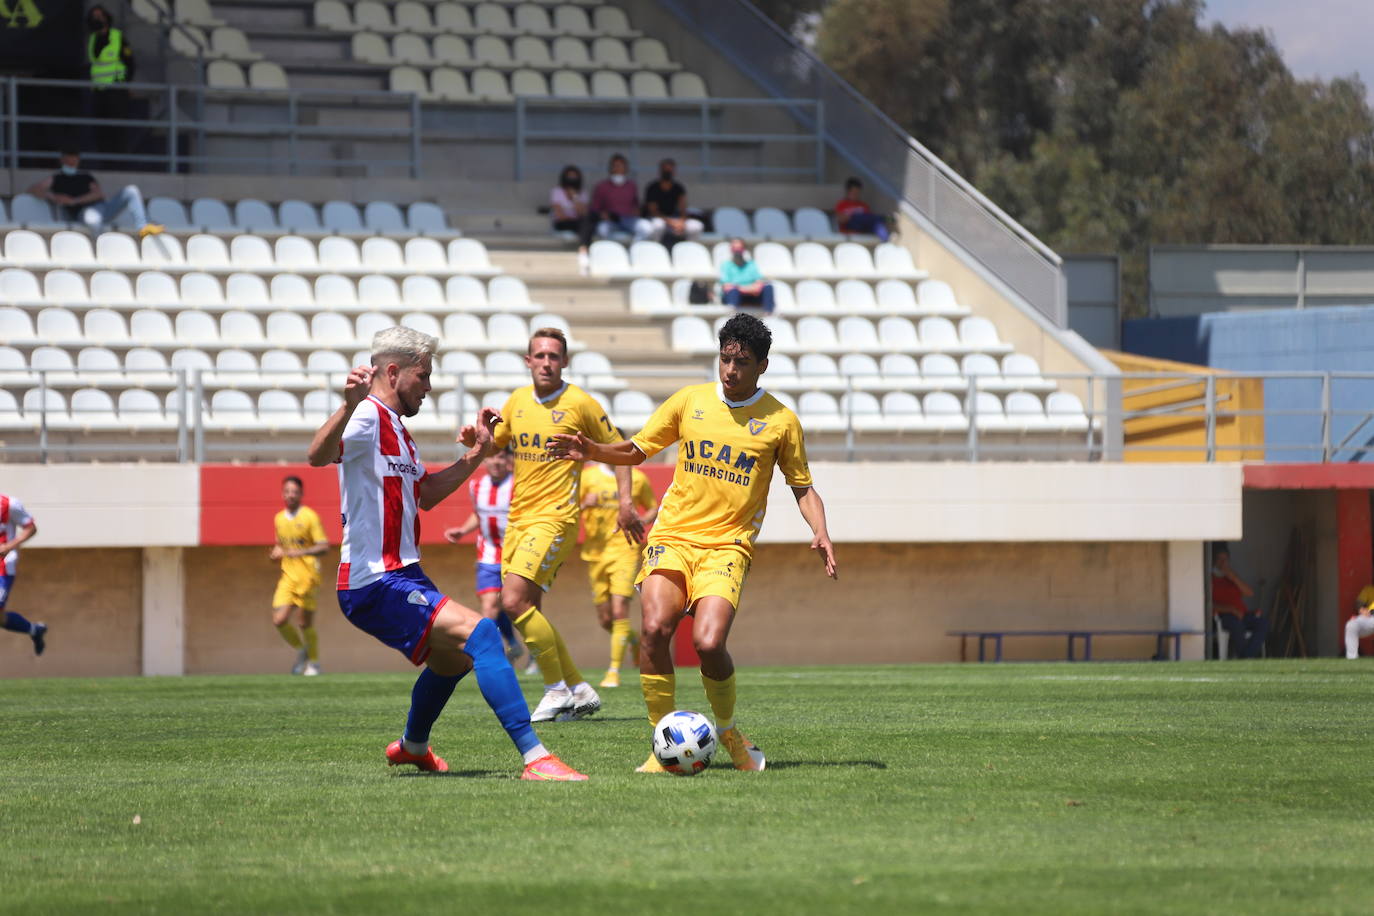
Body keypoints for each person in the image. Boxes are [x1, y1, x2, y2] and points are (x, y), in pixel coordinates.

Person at [548, 313, 837, 772]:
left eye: (742, 362)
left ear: (762, 365)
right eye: (724, 358)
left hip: (727, 546)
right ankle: (662, 743)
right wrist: (594, 451)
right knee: (657, 627)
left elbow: (802, 487)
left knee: (707, 642)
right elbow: (639, 448)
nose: (730, 370)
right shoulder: (690, 401)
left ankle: (727, 730)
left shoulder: (781, 421)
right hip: (674, 537)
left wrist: (819, 530)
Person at [306, 326, 586, 781]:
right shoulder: (365, 417)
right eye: (423, 376)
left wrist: (477, 453)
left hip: (405, 574)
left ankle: (414, 746)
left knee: (452, 660)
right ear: (392, 372)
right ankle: (537, 759)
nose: (430, 387)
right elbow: (318, 455)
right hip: (374, 580)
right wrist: (347, 403)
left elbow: (428, 493)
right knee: (483, 636)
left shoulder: (398, 428)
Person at [458, 327, 645, 722]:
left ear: (564, 361)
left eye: (553, 356)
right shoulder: (517, 401)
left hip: (556, 517)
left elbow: (624, 451)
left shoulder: (580, 403)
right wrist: (477, 440)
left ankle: (555, 689)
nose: (546, 362)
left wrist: (625, 504)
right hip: (520, 519)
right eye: (539, 356)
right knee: (529, 607)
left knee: (511, 601)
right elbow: (497, 443)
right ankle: (578, 687)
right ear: (528, 361)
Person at [579, 451, 658, 687]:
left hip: (626, 549)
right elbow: (568, 509)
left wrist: (639, 521)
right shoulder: (588, 477)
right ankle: (633, 641)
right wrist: (584, 504)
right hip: (595, 553)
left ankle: (613, 671)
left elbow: (653, 507)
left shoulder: (639, 479)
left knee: (619, 609)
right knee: (605, 619)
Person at [442, 448, 527, 667]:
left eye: (501, 457)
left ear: (508, 460)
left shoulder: (519, 486)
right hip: (488, 555)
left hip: (516, 556)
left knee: (515, 606)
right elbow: (479, 514)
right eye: (492, 456)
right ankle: (493, 657)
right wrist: (462, 530)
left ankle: (534, 649)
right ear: (485, 460)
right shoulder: (476, 486)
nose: (496, 461)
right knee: (489, 607)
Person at [25, 149, 164, 238]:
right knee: (92, 219)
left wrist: (74, 201)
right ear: (62, 160)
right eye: (69, 160)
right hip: (83, 213)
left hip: (102, 208)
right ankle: (103, 248)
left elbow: (97, 194)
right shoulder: (56, 178)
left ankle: (143, 227)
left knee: (131, 190)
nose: (71, 164)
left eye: (74, 161)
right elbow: (34, 189)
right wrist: (54, 197)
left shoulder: (86, 177)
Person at [270, 475, 329, 676]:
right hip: (288, 577)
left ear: (301, 494)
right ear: (282, 493)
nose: (291, 495)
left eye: (295, 492)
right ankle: (301, 649)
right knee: (279, 620)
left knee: (304, 623)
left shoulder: (309, 517)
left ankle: (314, 663)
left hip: (308, 577)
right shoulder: (278, 518)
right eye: (287, 491)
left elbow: (323, 546)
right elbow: (281, 545)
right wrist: (276, 552)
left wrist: (299, 552)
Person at [86, 5, 136, 159]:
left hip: (116, 89)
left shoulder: (117, 36)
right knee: (101, 129)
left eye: (100, 15)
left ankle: (119, 161)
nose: (98, 19)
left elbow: (130, 62)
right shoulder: (92, 39)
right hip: (99, 91)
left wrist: (127, 83)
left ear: (107, 17)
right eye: (94, 16)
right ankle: (104, 159)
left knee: (117, 129)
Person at [0, 494, 45, 657]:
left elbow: (31, 527)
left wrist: (9, 546)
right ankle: (35, 630)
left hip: (4, 566)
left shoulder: (8, 504)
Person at [1211, 542, 1268, 659]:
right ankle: (1246, 658)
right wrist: (1231, 609)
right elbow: (1208, 605)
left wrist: (1233, 577)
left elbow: (1249, 593)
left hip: (1242, 614)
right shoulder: (1210, 579)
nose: (1222, 563)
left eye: (1225, 560)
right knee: (1237, 625)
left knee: (1262, 623)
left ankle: (1246, 656)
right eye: (1219, 559)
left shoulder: (1232, 578)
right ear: (1214, 561)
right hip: (1225, 616)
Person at [589, 153, 650, 242]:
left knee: (646, 227)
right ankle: (612, 251)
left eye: (621, 166)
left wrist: (637, 211)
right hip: (611, 220)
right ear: (611, 168)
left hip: (629, 220)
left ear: (626, 168)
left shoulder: (631, 186)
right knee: (602, 229)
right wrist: (602, 214)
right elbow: (594, 208)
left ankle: (633, 250)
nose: (618, 169)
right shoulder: (602, 186)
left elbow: (636, 205)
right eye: (615, 166)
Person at [643, 158, 703, 246]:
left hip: (675, 219)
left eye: (670, 169)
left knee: (696, 226)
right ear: (660, 171)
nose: (668, 172)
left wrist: (681, 222)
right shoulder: (652, 187)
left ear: (674, 171)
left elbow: (683, 209)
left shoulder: (678, 188)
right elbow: (653, 212)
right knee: (658, 225)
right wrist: (672, 222)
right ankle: (655, 252)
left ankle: (689, 252)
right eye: (665, 169)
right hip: (659, 219)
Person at [550, 164, 594, 275]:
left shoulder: (582, 193)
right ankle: (584, 252)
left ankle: (583, 252)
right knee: (585, 224)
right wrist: (573, 216)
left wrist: (574, 197)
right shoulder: (557, 192)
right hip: (562, 223)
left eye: (574, 177)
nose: (572, 180)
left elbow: (583, 213)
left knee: (586, 222)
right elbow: (559, 215)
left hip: (577, 223)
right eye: (569, 177)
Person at [720, 238, 775, 314]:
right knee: (733, 292)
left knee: (768, 287)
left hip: (751, 295)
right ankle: (732, 313)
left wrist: (740, 288)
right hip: (738, 296)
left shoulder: (751, 264)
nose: (737, 251)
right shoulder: (726, 265)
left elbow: (759, 284)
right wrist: (748, 289)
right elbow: (727, 287)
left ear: (743, 250)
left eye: (739, 249)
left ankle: (769, 313)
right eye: (735, 249)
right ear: (731, 250)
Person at [834, 177, 891, 241]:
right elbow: (840, 220)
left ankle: (886, 242)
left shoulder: (863, 205)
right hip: (849, 228)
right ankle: (885, 218)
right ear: (848, 191)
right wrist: (852, 216)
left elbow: (869, 220)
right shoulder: (842, 204)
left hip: (863, 229)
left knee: (878, 224)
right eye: (854, 192)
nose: (856, 195)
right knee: (857, 217)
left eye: (858, 192)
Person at [1343, 584, 1374, 659]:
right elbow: (1359, 602)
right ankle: (1352, 658)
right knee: (1352, 625)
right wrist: (1361, 609)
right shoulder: (1369, 589)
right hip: (1371, 616)